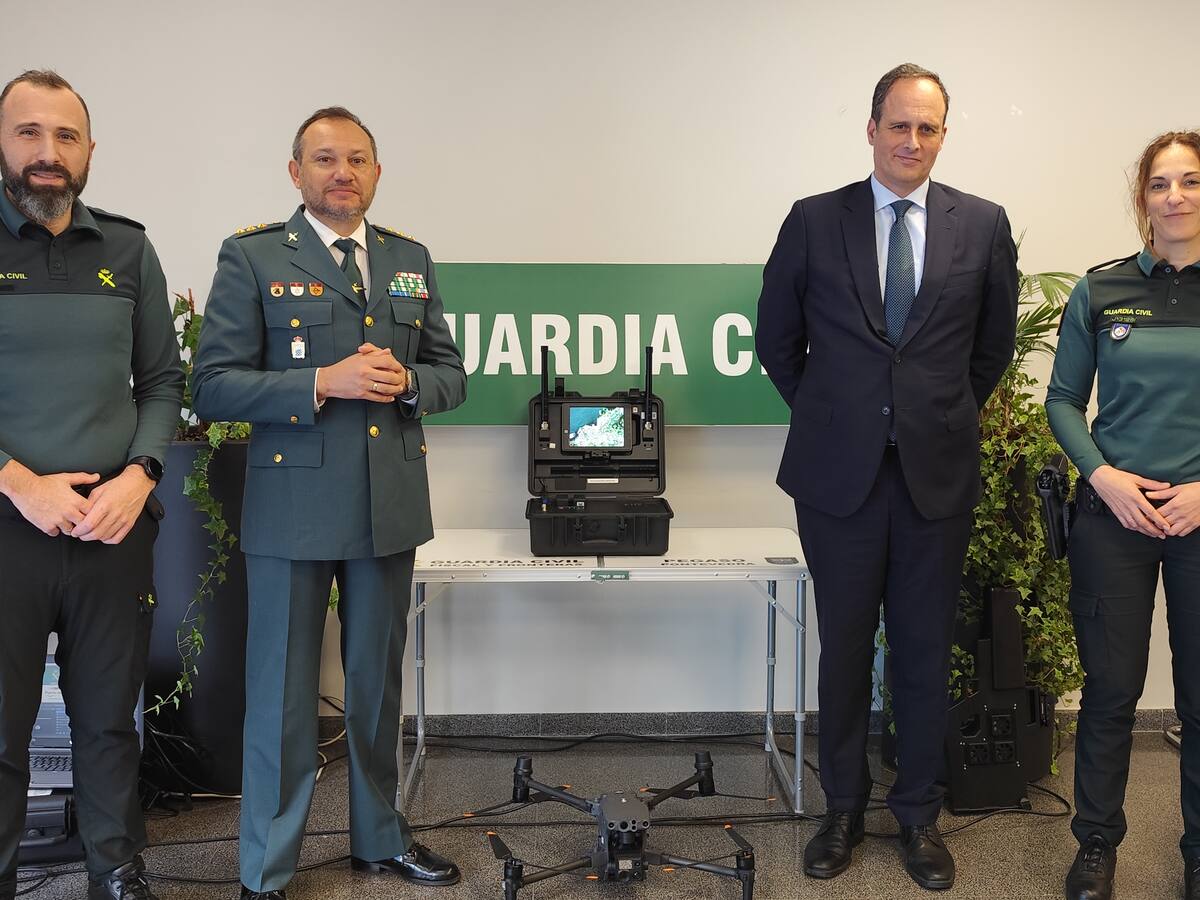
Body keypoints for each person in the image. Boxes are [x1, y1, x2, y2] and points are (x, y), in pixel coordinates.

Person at [192, 106, 467, 899]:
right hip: (294, 508)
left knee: (376, 692)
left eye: (356, 159)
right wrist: (320, 381)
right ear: (296, 173)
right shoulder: (253, 256)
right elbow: (213, 385)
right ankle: (267, 868)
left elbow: (451, 375)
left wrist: (409, 382)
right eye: (324, 159)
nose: (342, 172)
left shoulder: (409, 258)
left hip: (388, 506)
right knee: (282, 698)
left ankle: (380, 839)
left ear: (376, 172)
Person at [755, 63, 1018, 891]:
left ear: (943, 135)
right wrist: (840, 415)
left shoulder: (983, 224)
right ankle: (841, 809)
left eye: (927, 128)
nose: (912, 141)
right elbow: (776, 340)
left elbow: (992, 349)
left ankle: (917, 815)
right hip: (839, 479)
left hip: (935, 475)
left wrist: (932, 414)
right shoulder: (813, 219)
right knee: (842, 647)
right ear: (871, 129)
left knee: (923, 649)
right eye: (899, 125)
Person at [0, 70, 184, 900]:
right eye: (29, 132)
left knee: (109, 718)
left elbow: (163, 383)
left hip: (111, 525)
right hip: (7, 526)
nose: (48, 152)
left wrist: (140, 477)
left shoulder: (127, 249)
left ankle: (116, 869)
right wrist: (19, 483)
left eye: (65, 136)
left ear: (89, 150)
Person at [1047, 130, 1200, 900]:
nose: (1176, 196)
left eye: (1191, 180)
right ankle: (1097, 844)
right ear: (1142, 197)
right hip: (1116, 520)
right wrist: (1102, 478)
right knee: (1110, 693)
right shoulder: (1101, 290)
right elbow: (1062, 400)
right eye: (1160, 183)